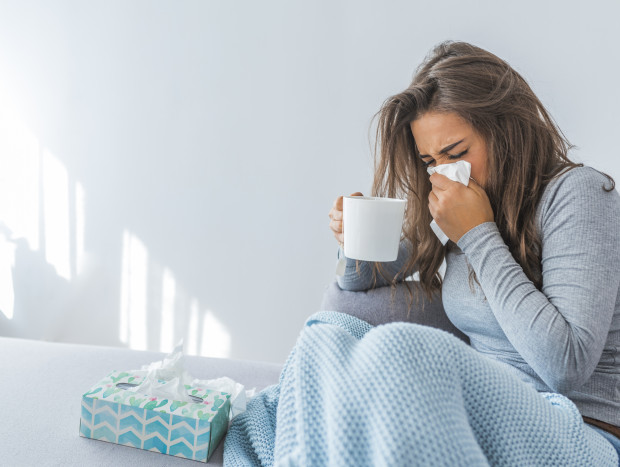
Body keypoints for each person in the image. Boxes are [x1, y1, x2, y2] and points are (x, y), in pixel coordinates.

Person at [328, 40, 620, 460]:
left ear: (506, 130)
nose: (444, 172)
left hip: (579, 431)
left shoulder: (580, 195)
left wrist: (478, 235)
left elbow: (566, 367)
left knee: (393, 353)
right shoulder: (458, 203)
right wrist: (351, 237)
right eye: (430, 161)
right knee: (330, 335)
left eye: (457, 152)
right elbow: (359, 281)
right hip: (480, 416)